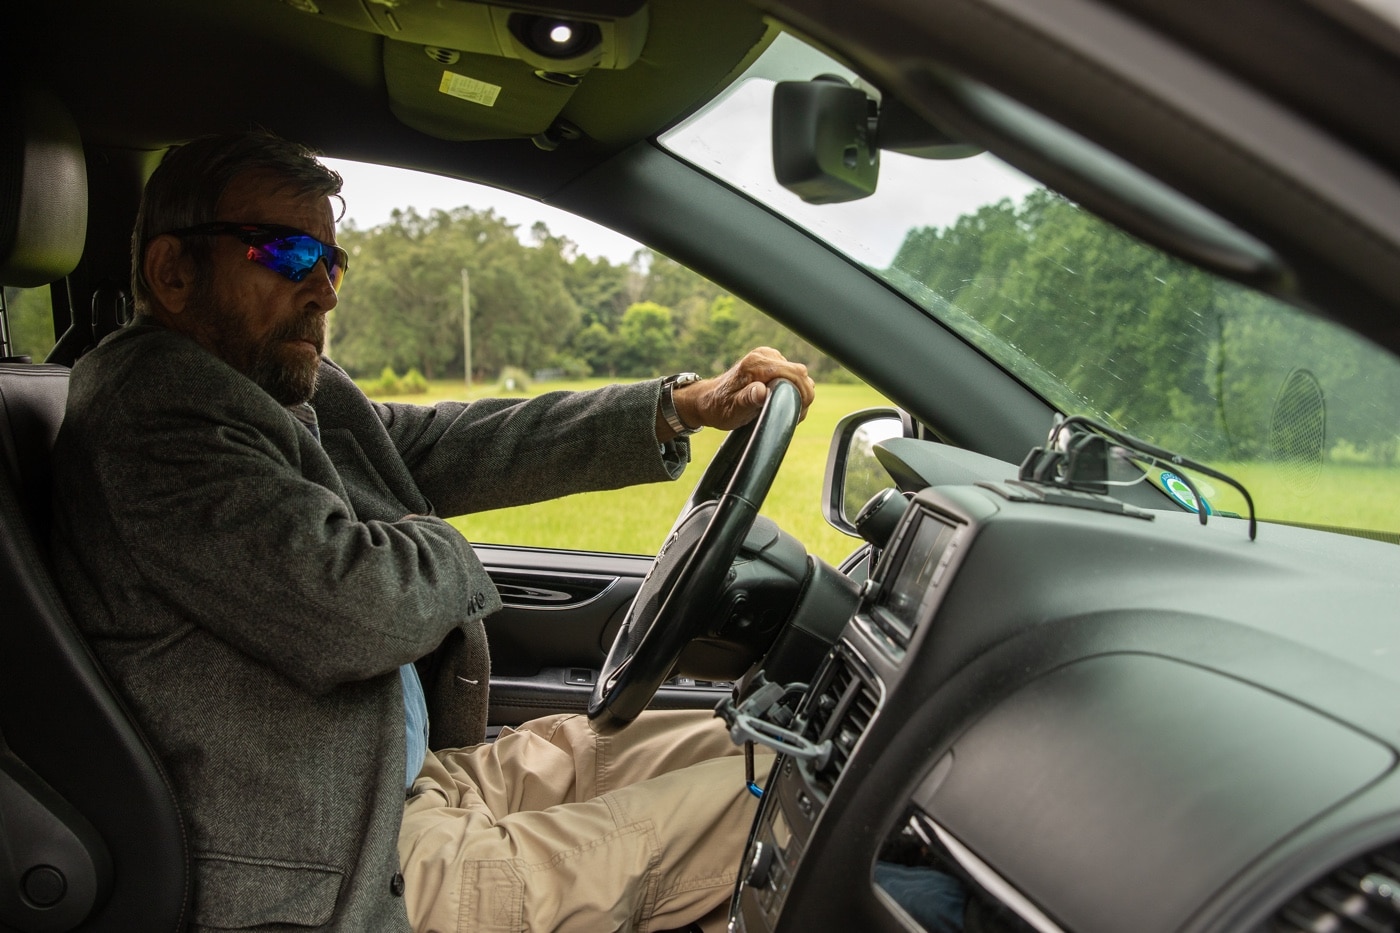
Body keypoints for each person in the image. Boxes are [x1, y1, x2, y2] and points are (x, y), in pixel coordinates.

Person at [48, 131, 815, 933]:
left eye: (331, 262)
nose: (324, 292)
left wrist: (678, 406)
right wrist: (434, 536)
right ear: (173, 271)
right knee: (774, 802)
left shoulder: (261, 384)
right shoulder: (155, 413)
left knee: (758, 752)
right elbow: (355, 608)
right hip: (350, 865)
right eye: (287, 254)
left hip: (405, 784)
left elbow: (441, 443)